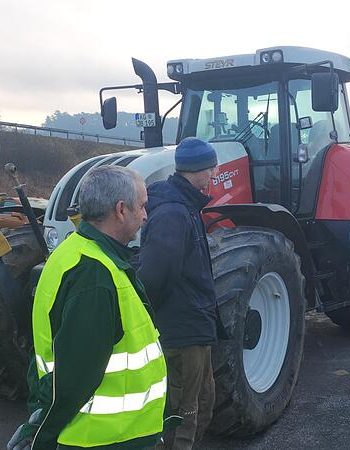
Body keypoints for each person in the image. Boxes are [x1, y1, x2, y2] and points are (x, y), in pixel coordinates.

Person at [7, 165, 166, 450]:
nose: (145, 215)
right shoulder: (95, 277)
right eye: (142, 206)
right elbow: (74, 378)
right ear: (120, 210)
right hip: (107, 438)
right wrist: (41, 436)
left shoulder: (73, 252)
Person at [138, 137, 227, 450]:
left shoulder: (184, 206)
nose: (215, 173)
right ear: (199, 171)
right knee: (185, 411)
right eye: (211, 167)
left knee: (201, 401)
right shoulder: (174, 213)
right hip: (182, 330)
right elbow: (154, 274)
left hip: (192, 325)